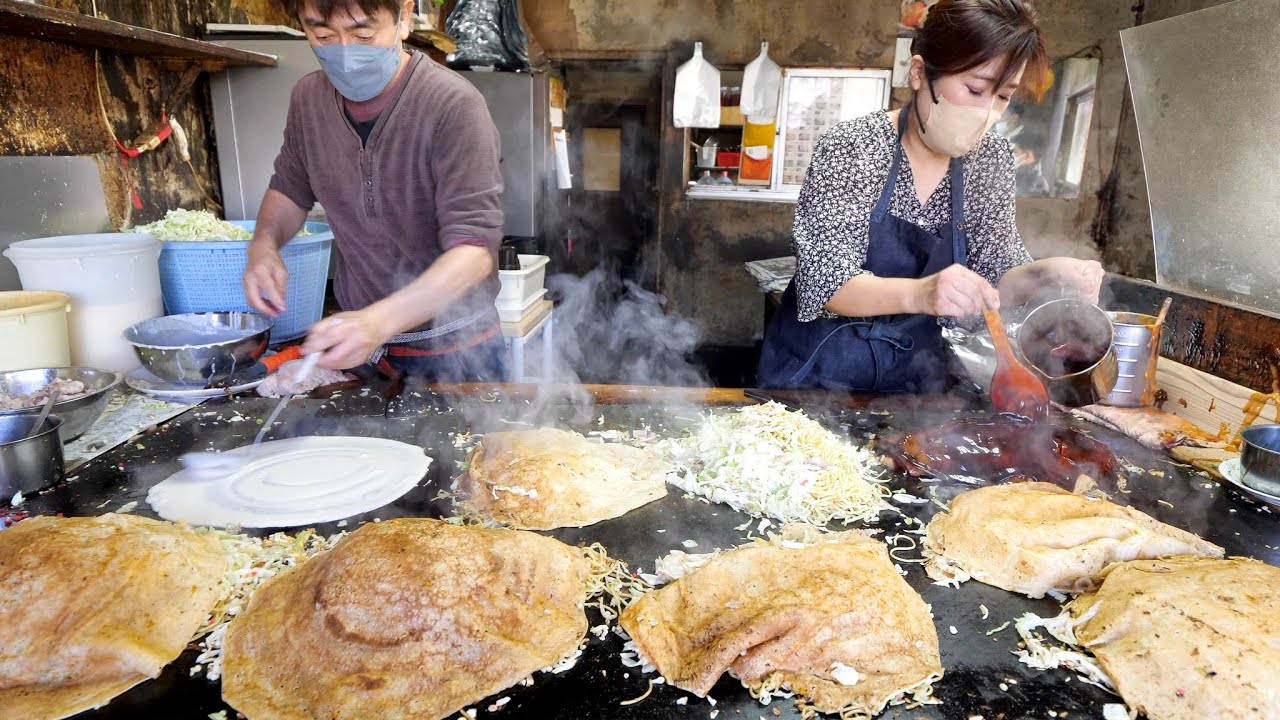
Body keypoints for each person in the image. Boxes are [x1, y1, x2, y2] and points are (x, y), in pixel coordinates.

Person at [757, 0, 1103, 393]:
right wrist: (924, 293)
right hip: (817, 371)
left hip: (916, 386)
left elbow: (995, 276)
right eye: (974, 88)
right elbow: (827, 283)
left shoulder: (991, 159)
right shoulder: (854, 147)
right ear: (920, 73)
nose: (986, 112)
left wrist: (1047, 274)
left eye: (1003, 97)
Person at [242, 0, 507, 382]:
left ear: (403, 17)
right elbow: (289, 189)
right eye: (323, 35)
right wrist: (263, 246)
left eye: (363, 34)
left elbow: (473, 252)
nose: (345, 53)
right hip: (365, 353)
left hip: (460, 352)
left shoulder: (454, 105)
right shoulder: (307, 100)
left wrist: (377, 321)